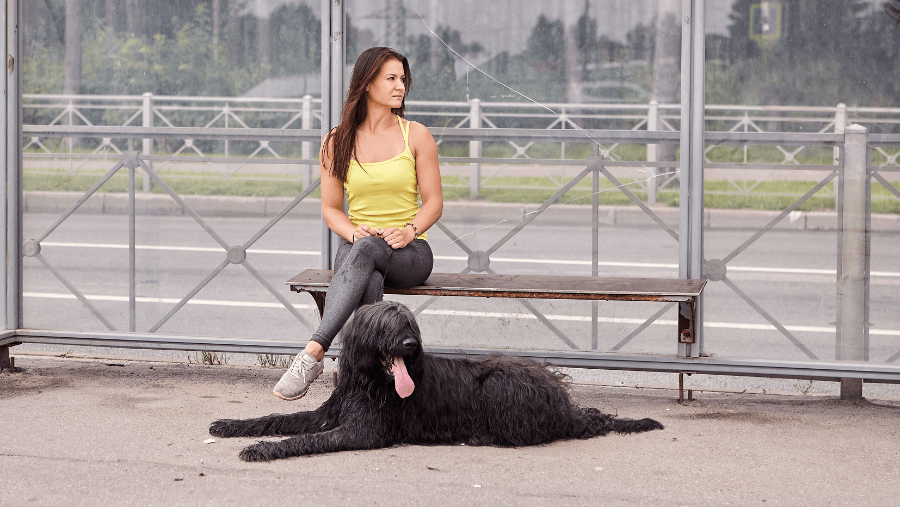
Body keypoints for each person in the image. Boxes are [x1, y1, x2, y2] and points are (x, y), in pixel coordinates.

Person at [273, 47, 443, 400]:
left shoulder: (417, 135)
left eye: (403, 79)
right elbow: (332, 209)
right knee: (367, 267)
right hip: (358, 247)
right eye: (391, 79)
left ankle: (314, 353)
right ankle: (375, 378)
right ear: (367, 84)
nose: (401, 86)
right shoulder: (337, 142)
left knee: (366, 255)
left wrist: (409, 230)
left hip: (409, 252)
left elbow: (435, 203)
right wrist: (353, 231)